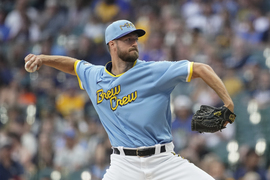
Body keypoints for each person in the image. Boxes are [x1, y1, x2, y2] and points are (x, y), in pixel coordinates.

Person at [24, 19, 234, 180]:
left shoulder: (154, 71)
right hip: (123, 165)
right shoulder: (95, 77)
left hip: (163, 160)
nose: (134, 43)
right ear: (112, 45)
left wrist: (228, 103)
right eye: (128, 40)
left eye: (135, 39)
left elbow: (201, 68)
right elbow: (73, 65)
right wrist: (43, 59)